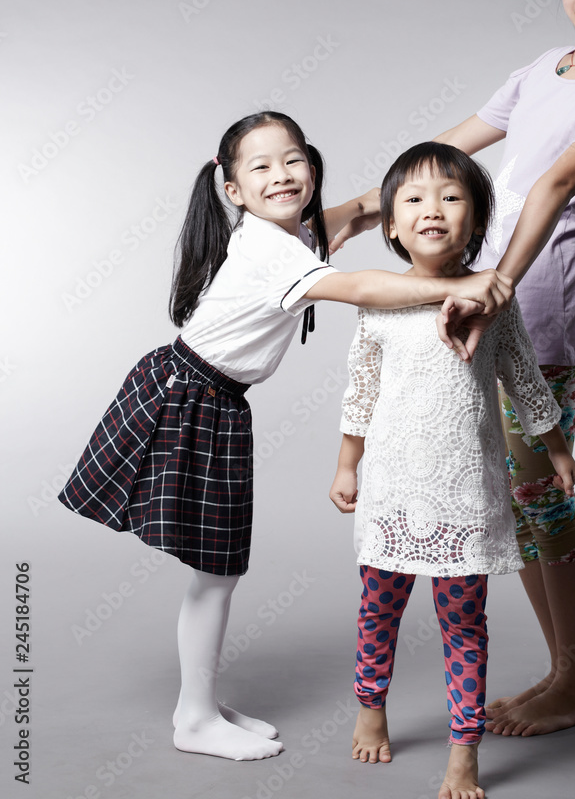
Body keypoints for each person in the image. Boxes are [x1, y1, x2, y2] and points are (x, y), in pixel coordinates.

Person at [58, 112, 511, 764]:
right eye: (262, 166)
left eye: (294, 159)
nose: (282, 175)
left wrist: (468, 140)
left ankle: (199, 704)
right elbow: (358, 287)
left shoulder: (291, 232)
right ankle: (194, 718)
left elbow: (368, 205)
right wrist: (463, 282)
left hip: (207, 400)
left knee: (217, 572)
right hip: (187, 401)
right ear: (232, 189)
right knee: (216, 572)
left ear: (312, 166)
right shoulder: (274, 250)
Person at [330, 0, 575, 738]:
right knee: (516, 500)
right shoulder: (542, 67)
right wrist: (358, 210)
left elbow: (553, 185)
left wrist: (496, 286)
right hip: (480, 294)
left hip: (538, 300)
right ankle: (563, 675)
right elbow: (448, 152)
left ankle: (574, 682)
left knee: (542, 498)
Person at [329, 142, 575, 799]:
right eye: (413, 199)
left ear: (476, 220)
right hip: (391, 491)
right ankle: (370, 706)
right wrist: (347, 465)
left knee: (465, 626)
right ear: (391, 225)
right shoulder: (379, 301)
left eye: (450, 197)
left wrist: (556, 449)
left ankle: (463, 750)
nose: (432, 209)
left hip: (466, 494)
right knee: (377, 612)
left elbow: (525, 379)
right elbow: (361, 390)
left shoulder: (492, 298)